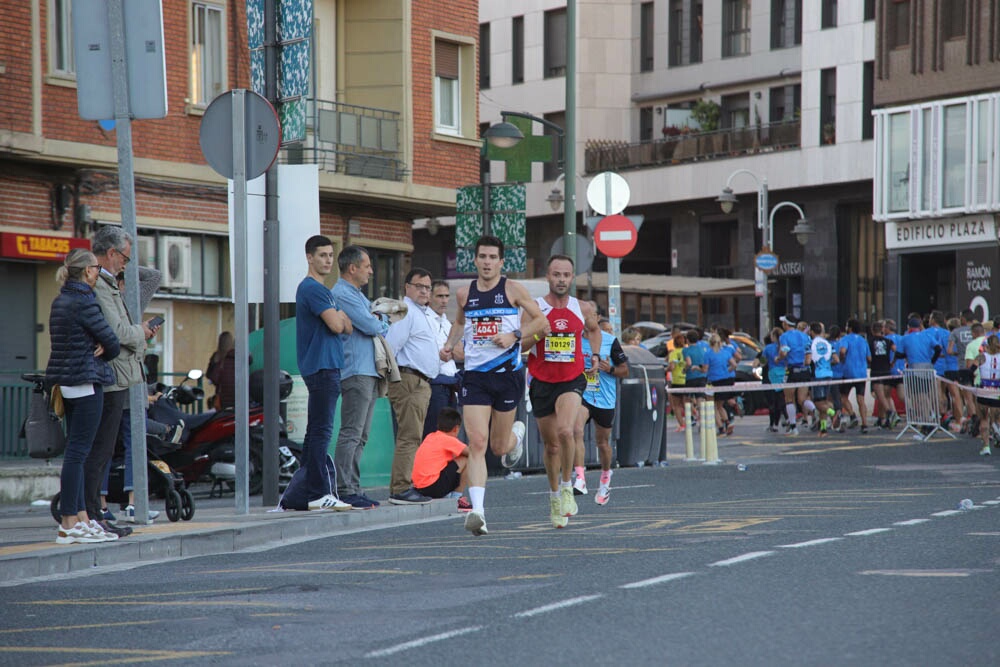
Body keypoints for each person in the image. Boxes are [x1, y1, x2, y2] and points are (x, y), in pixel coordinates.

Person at [441, 235, 548, 536]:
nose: (487, 262)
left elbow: (540, 321)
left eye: (492, 257)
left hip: (507, 374)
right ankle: (478, 511)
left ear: (501, 262)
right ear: (475, 260)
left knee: (498, 447)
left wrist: (514, 335)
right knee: (477, 442)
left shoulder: (513, 289)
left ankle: (517, 435)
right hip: (475, 376)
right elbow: (460, 324)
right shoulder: (464, 294)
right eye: (482, 256)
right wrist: (449, 345)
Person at [86, 226, 160, 536]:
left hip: (124, 374)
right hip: (110, 374)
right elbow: (115, 333)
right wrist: (140, 333)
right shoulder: (100, 287)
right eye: (124, 259)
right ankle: (92, 511)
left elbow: (152, 276)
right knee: (96, 448)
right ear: (111, 254)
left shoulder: (117, 286)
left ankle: (95, 512)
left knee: (108, 446)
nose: (127, 267)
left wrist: (122, 263)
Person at [47, 249, 122, 544]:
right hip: (87, 380)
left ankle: (81, 518)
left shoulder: (60, 301)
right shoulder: (85, 301)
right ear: (88, 272)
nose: (98, 272)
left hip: (66, 383)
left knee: (75, 453)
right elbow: (112, 342)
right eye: (96, 267)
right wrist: (105, 347)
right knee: (79, 454)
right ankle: (68, 522)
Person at [525, 255, 602, 528]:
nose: (561, 279)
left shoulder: (581, 307)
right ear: (548, 276)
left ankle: (568, 487)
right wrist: (538, 335)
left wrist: (594, 355)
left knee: (567, 431)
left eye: (566, 275)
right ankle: (555, 495)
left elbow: (595, 331)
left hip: (572, 379)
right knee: (552, 445)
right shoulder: (534, 309)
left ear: (572, 278)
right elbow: (520, 345)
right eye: (556, 274)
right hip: (542, 382)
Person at [295, 235, 354, 511]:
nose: (328, 260)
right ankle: (317, 492)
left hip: (326, 366)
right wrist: (339, 318)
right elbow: (337, 325)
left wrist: (341, 319)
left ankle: (302, 491)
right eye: (322, 255)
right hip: (322, 367)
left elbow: (349, 326)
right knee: (321, 430)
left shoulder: (325, 291)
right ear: (309, 257)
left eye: (331, 255)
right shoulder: (313, 289)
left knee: (314, 431)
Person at [331, 245, 390, 509]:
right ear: (352, 268)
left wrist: (378, 319)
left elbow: (379, 320)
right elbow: (374, 325)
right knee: (352, 433)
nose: (371, 271)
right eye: (367, 266)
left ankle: (353, 486)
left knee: (361, 435)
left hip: (367, 371)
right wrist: (378, 319)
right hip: (355, 371)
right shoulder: (343, 294)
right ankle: (344, 488)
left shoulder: (356, 295)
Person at [385, 268, 439, 505]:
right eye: (419, 286)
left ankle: (405, 485)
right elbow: (391, 346)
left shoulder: (420, 313)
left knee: (413, 435)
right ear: (407, 287)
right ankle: (401, 488)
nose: (424, 291)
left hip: (419, 381)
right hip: (409, 380)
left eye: (428, 287)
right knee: (409, 436)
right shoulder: (405, 311)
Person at [572, 313, 628, 505]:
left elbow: (625, 370)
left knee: (602, 442)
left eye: (588, 317)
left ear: (594, 318)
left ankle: (605, 478)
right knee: (575, 429)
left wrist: (609, 369)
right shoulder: (575, 339)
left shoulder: (610, 341)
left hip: (604, 397)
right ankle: (580, 477)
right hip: (582, 393)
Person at [422, 280, 462, 439]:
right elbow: (435, 353)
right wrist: (449, 350)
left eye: (447, 296)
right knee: (435, 434)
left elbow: (461, 352)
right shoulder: (424, 320)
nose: (444, 300)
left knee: (451, 435)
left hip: (451, 384)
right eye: (439, 296)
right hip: (434, 384)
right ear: (429, 297)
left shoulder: (446, 322)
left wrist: (448, 349)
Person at [412, 408, 471, 505]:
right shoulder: (449, 440)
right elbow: (471, 453)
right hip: (433, 487)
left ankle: (447, 494)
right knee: (467, 459)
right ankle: (457, 499)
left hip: (419, 488)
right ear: (456, 428)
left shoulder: (430, 436)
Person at [777, 315, 813, 436]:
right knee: (802, 399)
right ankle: (816, 411)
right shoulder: (805, 336)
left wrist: (778, 357)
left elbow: (784, 351)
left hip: (791, 369)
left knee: (788, 399)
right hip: (804, 369)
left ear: (786, 324)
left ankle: (793, 427)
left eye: (783, 322)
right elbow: (809, 354)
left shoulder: (784, 337)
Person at [839, 319, 872, 434]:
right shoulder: (864, 341)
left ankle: (852, 415)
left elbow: (842, 351)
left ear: (850, 328)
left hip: (848, 372)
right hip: (861, 373)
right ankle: (864, 424)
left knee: (843, 397)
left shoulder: (845, 339)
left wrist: (842, 359)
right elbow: (869, 358)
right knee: (861, 400)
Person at [705, 332, 739, 436]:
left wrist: (697, 368)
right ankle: (727, 422)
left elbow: (705, 369)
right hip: (726, 379)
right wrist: (727, 370)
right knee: (720, 405)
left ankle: (720, 428)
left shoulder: (708, 354)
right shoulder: (725, 352)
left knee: (713, 405)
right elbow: (734, 364)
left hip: (713, 381)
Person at [808, 322, 837, 436]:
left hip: (817, 375)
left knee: (818, 403)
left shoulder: (810, 343)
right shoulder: (829, 344)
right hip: (828, 374)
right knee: (824, 402)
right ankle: (823, 429)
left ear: (812, 331)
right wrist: (828, 364)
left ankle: (833, 413)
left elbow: (807, 360)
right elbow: (836, 359)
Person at [869, 320, 899, 429]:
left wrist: (869, 362)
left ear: (872, 331)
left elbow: (868, 357)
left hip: (876, 370)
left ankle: (890, 413)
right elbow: (897, 351)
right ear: (882, 330)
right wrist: (893, 362)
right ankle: (883, 419)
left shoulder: (870, 341)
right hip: (887, 370)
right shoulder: (888, 341)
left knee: (879, 396)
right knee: (885, 396)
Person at [974, 333, 1000, 456]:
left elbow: (970, 370)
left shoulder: (981, 357)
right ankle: (997, 432)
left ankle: (985, 447)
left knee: (984, 419)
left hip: (983, 392)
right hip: (997, 392)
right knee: (997, 419)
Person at [761, 327, 786, 433]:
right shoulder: (784, 348)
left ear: (774, 336)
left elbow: (763, 361)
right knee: (781, 398)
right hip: (783, 373)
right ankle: (778, 423)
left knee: (772, 401)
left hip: (773, 374)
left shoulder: (768, 348)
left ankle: (772, 424)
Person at [206, 331, 234, 409]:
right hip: (238, 396)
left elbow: (209, 375)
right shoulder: (238, 355)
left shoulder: (216, 357)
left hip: (222, 397)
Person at [667, 332, 687, 432]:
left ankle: (682, 425)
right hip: (687, 380)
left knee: (676, 405)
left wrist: (667, 369)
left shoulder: (673, 353)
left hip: (677, 381)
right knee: (686, 403)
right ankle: (693, 417)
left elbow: (672, 367)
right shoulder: (687, 351)